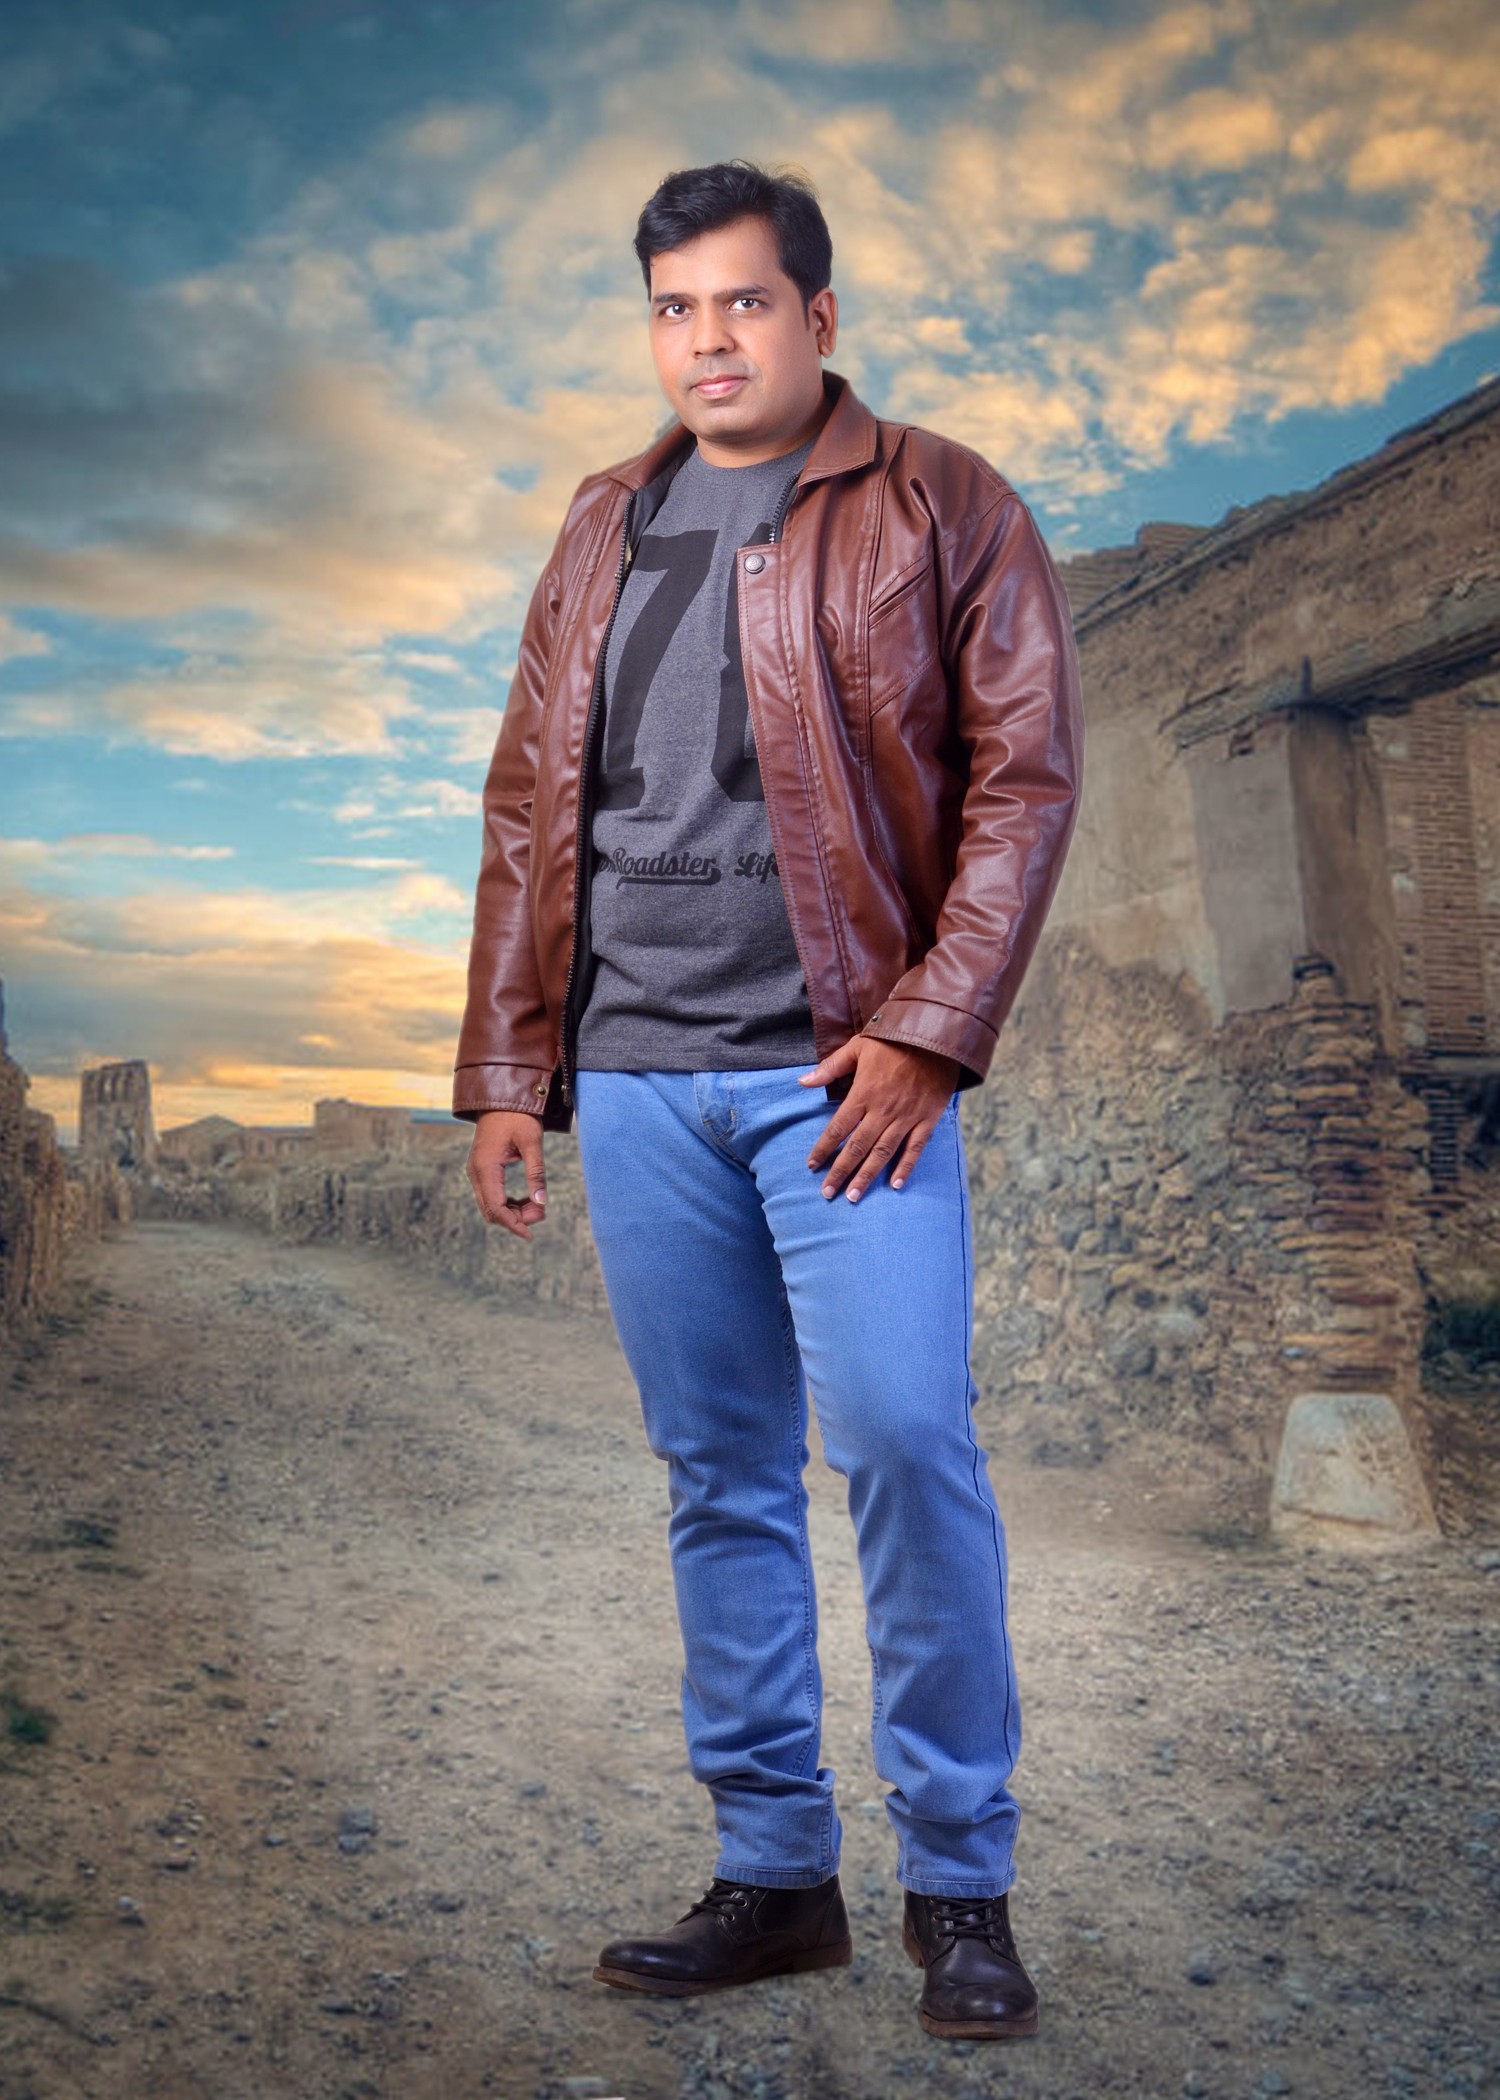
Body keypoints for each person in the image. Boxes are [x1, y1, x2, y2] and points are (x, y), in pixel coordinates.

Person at [452, 157, 1083, 2041]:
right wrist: (511, 1067)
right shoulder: (604, 521)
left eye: (742, 301)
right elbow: (527, 803)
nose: (707, 340)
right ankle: (776, 1875)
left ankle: (960, 1887)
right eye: (674, 308)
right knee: (719, 1476)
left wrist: (931, 1026)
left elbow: (1025, 778)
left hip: (844, 1079)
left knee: (902, 1442)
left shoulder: (943, 500)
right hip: (640, 1073)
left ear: (818, 315)